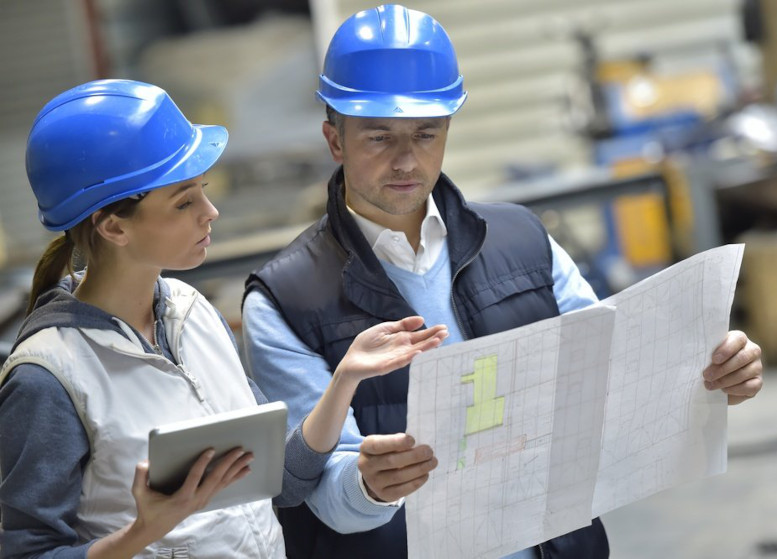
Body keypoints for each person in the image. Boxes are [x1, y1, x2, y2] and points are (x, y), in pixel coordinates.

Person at [241, 4, 764, 558]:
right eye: (378, 137)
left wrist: (705, 379)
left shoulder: (523, 241)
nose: (405, 160)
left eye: (425, 134)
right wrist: (370, 486)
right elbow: (317, 492)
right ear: (335, 140)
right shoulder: (284, 301)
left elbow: (613, 381)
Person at [0, 79, 448, 558]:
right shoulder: (48, 378)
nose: (210, 212)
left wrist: (343, 381)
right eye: (184, 200)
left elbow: (282, 483)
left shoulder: (192, 314)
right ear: (113, 227)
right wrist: (140, 534)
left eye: (203, 191)